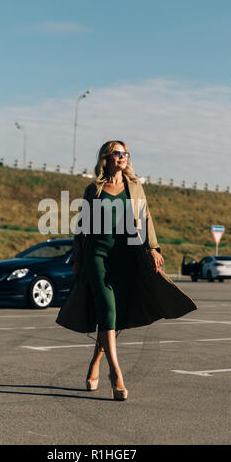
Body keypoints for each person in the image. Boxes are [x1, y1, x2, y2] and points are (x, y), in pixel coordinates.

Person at [56, 140, 197, 401]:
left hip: (124, 257)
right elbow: (81, 226)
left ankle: (95, 363)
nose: (123, 157)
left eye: (126, 154)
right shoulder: (93, 190)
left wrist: (153, 248)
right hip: (97, 256)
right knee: (107, 311)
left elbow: (145, 219)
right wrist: (77, 257)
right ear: (107, 158)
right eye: (118, 153)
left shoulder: (135, 188)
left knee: (112, 316)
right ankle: (116, 374)